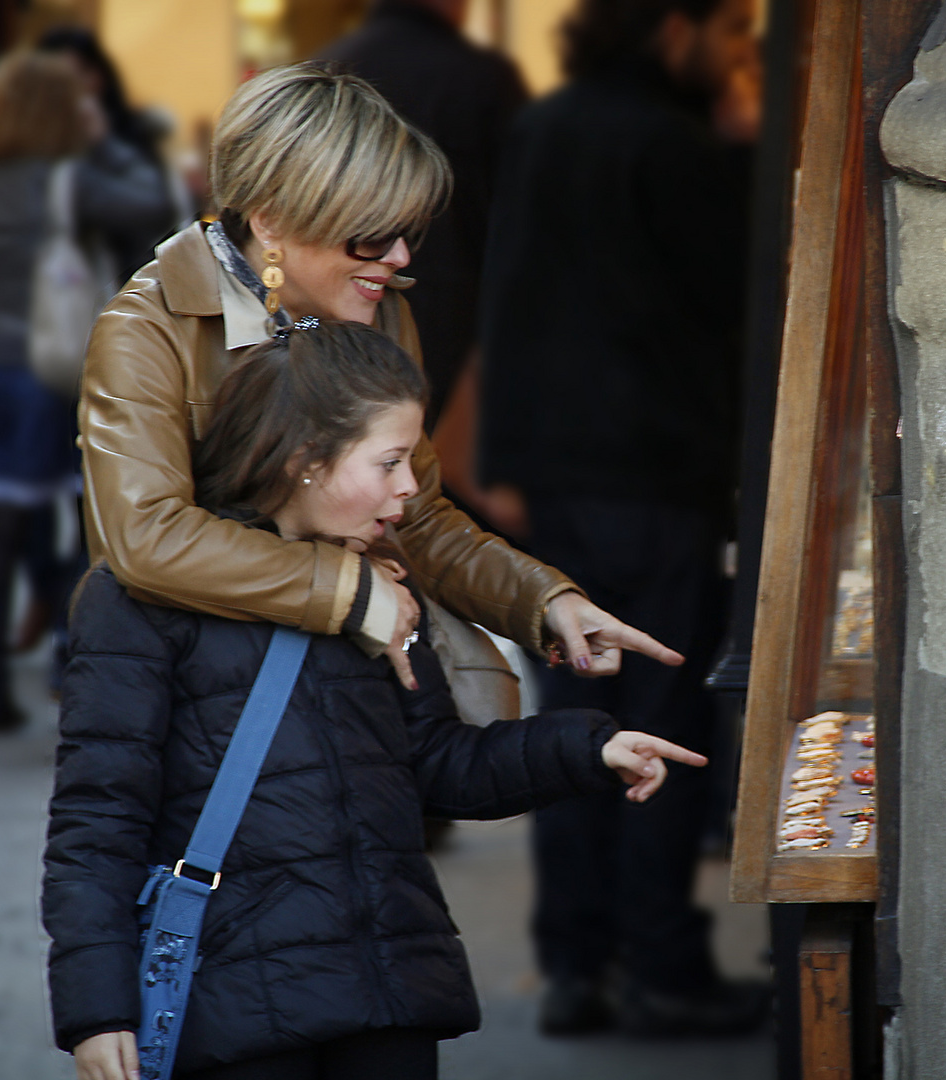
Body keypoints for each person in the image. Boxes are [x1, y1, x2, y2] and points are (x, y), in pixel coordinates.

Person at [42, 319, 709, 1080]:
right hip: (232, 1011)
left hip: (385, 994)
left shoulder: (383, 586)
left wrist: (589, 749)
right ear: (304, 461)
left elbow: (434, 764)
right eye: (390, 462)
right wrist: (98, 1010)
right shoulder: (138, 604)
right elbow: (97, 822)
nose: (410, 490)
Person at [79, 63, 680, 723]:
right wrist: (350, 588)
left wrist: (543, 602)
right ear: (273, 220)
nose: (398, 257)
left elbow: (414, 512)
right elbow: (144, 540)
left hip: (356, 693)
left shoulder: (382, 309)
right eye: (369, 234)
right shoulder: (148, 328)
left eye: (407, 232)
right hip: (199, 702)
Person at [478, 0, 761, 1035]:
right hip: (655, 476)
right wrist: (741, 156)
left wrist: (502, 461)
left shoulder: (550, 126)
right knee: (661, 722)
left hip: (560, 477)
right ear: (671, 27)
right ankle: (660, 964)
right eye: (728, 31)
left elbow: (508, 293)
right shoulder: (675, 143)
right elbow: (733, 293)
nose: (738, 56)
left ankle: (574, 962)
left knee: (575, 711)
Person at [0, 51, 172, 731]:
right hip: (64, 372)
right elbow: (157, 206)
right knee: (88, 530)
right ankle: (68, 660)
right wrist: (105, 141)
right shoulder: (71, 182)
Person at [318, 0, 527, 433]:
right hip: (458, 326)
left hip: (331, 321)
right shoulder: (481, 79)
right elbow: (523, 226)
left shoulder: (324, 69)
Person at [37, 25, 185, 279]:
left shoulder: (134, 133)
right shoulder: (31, 148)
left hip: (127, 289)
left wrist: (102, 144)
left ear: (98, 77)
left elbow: (157, 207)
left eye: (77, 75)